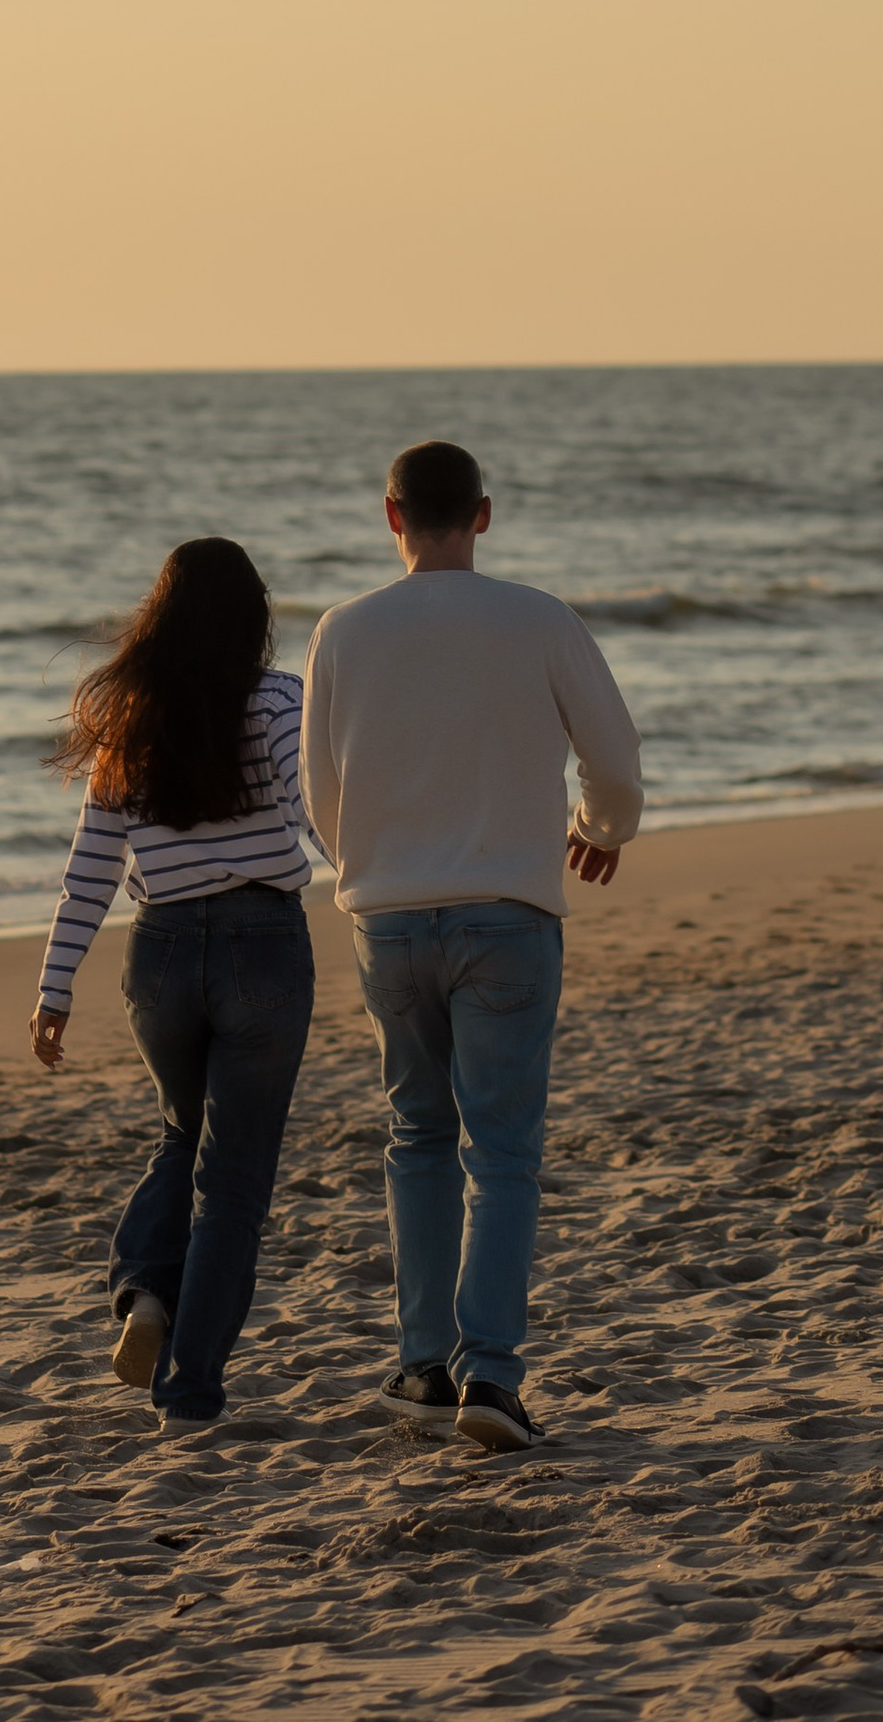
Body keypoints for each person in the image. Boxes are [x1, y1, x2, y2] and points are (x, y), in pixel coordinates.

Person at [302, 438, 642, 1457]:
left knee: (416, 1137)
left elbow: (322, 793)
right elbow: (614, 762)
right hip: (507, 907)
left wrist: (367, 868)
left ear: (392, 517)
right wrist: (598, 831)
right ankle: (488, 1374)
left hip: (390, 914)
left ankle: (419, 1363)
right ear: (482, 516)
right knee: (501, 1153)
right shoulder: (538, 618)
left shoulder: (341, 631)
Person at [31, 536, 317, 1426]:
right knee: (234, 1181)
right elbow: (318, 815)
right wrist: (389, 891)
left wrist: (54, 986)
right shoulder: (275, 700)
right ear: (254, 616)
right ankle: (191, 1388)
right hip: (262, 942)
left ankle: (145, 1293)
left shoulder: (130, 712)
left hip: (156, 954)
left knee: (176, 1136)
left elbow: (91, 867)